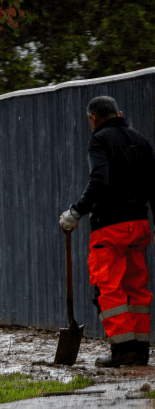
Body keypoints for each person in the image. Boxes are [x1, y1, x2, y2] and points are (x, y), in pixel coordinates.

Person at [60, 96, 155, 367]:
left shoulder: (99, 139)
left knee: (109, 288)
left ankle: (122, 351)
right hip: (139, 226)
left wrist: (75, 212)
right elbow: (153, 184)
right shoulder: (141, 140)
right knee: (136, 288)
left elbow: (99, 180)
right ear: (119, 113)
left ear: (93, 118)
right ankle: (140, 351)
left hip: (110, 228)